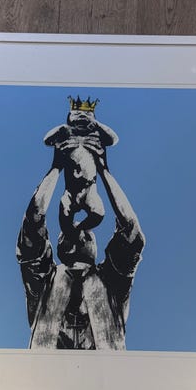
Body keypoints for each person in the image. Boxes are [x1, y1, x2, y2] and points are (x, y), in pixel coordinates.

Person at [16, 135, 145, 350]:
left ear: (95, 248)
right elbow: (31, 228)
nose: (78, 230)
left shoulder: (111, 282)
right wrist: (56, 169)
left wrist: (104, 171)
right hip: (47, 370)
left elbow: (133, 235)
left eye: (86, 231)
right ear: (58, 248)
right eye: (69, 232)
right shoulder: (45, 281)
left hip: (106, 371)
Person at [43, 96, 119, 237]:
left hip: (90, 189)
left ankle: (80, 229)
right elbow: (47, 140)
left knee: (98, 213)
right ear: (70, 117)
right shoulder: (66, 133)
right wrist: (60, 128)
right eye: (77, 113)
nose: (82, 116)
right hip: (70, 190)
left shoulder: (96, 135)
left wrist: (98, 125)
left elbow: (113, 139)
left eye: (88, 114)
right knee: (64, 219)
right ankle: (71, 235)